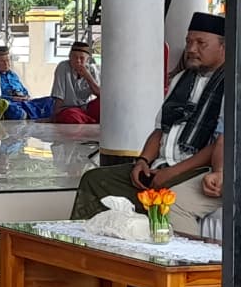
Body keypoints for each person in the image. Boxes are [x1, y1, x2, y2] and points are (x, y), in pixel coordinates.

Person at [70, 13, 227, 222]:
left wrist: (172, 172)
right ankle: (91, 241)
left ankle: (159, 243)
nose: (191, 49)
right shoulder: (181, 79)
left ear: (223, 47)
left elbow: (219, 143)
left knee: (168, 198)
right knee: (95, 179)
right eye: (188, 41)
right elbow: (160, 129)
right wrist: (143, 161)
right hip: (161, 164)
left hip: (195, 169)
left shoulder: (229, 83)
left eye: (201, 43)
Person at [0, 45, 53, 120]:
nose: (6, 63)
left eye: (8, 60)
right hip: (11, 103)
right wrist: (13, 98)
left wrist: (26, 96)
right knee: (13, 110)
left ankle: (32, 114)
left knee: (50, 100)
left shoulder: (13, 75)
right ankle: (34, 114)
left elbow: (24, 91)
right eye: (2, 61)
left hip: (25, 102)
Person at [52, 41, 101, 124]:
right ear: (69, 57)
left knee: (103, 105)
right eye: (74, 57)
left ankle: (86, 119)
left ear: (87, 59)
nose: (78, 61)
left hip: (85, 108)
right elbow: (59, 96)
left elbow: (100, 94)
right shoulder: (63, 67)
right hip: (68, 109)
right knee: (71, 116)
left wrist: (87, 76)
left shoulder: (92, 70)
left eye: (82, 58)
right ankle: (89, 119)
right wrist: (55, 116)